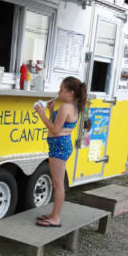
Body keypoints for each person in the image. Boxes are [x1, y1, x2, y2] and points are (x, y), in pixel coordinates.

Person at [33, 76, 86, 227]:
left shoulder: (66, 108)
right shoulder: (72, 107)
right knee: (57, 183)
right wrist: (50, 111)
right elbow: (57, 125)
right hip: (61, 146)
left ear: (70, 92)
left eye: (61, 90)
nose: (58, 92)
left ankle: (55, 218)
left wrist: (41, 114)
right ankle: (53, 214)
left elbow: (55, 130)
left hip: (59, 147)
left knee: (58, 184)